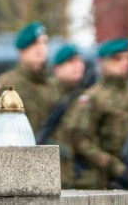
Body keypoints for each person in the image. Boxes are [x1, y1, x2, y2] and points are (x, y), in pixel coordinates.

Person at [70, 38, 128, 189]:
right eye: (117, 59)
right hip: (106, 179)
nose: (124, 63)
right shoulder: (93, 97)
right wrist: (112, 165)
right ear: (103, 62)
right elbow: (81, 141)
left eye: (126, 58)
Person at [45, 44, 96, 189]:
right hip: (54, 174)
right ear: (57, 68)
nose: (78, 66)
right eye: (71, 62)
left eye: (79, 61)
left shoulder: (86, 95)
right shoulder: (47, 93)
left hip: (82, 177)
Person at [0, 21, 53, 135]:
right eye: (35, 44)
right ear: (22, 50)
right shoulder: (7, 84)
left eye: (44, 43)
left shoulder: (51, 85)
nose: (41, 48)